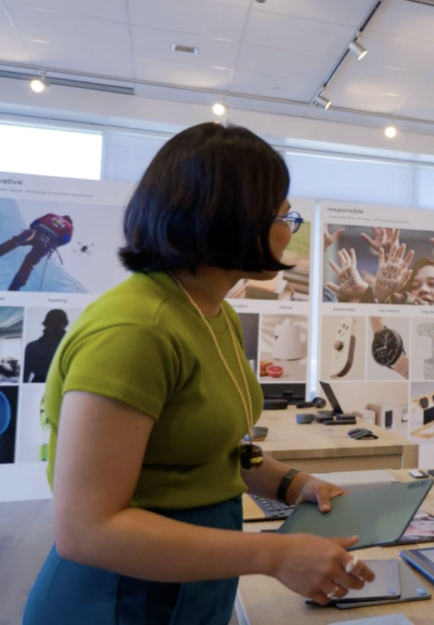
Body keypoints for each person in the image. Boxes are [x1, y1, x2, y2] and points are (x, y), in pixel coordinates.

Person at [24, 123, 375, 625]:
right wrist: (272, 554)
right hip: (118, 599)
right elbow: (86, 530)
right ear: (228, 218)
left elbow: (216, 447)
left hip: (191, 585)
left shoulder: (213, 313)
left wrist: (292, 485)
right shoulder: (135, 328)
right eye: (283, 214)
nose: (289, 227)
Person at [0, 212, 73, 290]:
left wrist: (33, 229)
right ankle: (14, 288)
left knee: (15, 242)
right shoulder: (70, 226)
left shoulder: (52, 215)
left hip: (35, 232)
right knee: (29, 263)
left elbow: (35, 222)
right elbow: (66, 239)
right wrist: (55, 244)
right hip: (48, 242)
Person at [24, 309, 70, 383]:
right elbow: (24, 376)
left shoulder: (72, 346)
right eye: (53, 323)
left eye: (58, 324)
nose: (55, 327)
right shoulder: (32, 347)